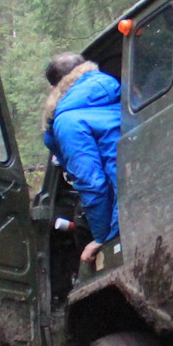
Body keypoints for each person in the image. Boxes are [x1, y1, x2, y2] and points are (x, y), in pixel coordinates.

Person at [42, 51, 122, 264]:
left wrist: (102, 240)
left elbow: (92, 184)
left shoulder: (67, 121)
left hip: (124, 204)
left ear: (54, 88)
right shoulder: (116, 87)